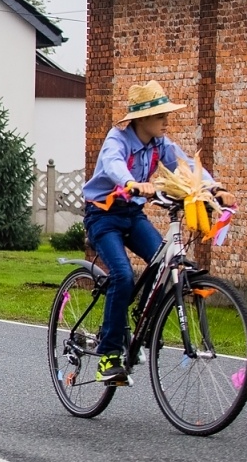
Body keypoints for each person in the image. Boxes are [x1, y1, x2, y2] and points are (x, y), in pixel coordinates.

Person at [82, 82, 232, 385]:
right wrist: (132, 183)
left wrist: (215, 188)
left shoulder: (159, 144)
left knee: (168, 266)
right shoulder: (118, 139)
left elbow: (186, 165)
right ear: (141, 119)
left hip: (131, 215)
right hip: (103, 216)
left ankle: (142, 323)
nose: (166, 120)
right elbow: (112, 164)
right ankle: (109, 356)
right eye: (160, 115)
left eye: (166, 115)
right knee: (123, 276)